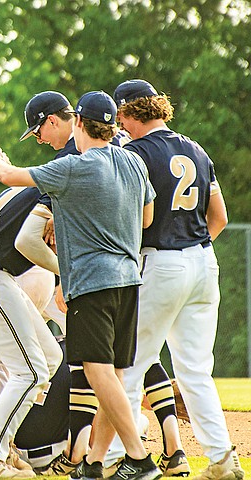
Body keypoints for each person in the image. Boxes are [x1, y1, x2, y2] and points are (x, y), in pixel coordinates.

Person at [0, 91, 160, 480]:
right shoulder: (134, 162)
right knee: (115, 375)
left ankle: (138, 457)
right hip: (129, 278)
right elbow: (147, 217)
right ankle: (94, 463)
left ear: (79, 124)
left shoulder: (74, 166)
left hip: (91, 281)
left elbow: (10, 176)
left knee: (97, 371)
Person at [113, 79, 242, 480]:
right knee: (196, 370)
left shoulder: (133, 152)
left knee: (130, 365)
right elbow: (217, 217)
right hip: (204, 261)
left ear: (126, 112)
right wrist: (193, 248)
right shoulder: (196, 149)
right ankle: (222, 460)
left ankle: (124, 456)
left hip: (162, 262)